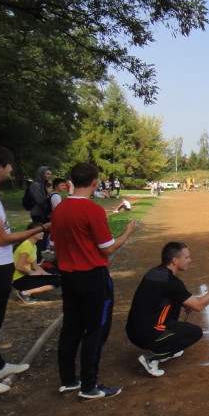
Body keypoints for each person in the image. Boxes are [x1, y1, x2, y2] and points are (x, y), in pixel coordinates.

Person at [50, 162, 139, 401]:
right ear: (94, 182)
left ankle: (68, 380)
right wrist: (128, 232)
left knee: (71, 327)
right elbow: (108, 247)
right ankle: (89, 386)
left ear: (71, 182)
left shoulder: (60, 208)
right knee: (96, 329)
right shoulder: (92, 210)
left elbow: (54, 244)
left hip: (68, 276)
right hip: (92, 276)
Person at [0, 145, 52, 396]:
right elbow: (1, 238)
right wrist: (41, 229)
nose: (11, 169)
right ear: (0, 167)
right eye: (9, 165)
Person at [126, 242, 209, 377]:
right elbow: (199, 306)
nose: (189, 260)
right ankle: (152, 357)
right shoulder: (170, 282)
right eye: (186, 257)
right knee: (194, 332)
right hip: (146, 334)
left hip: (135, 329)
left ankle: (164, 349)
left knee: (177, 307)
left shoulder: (156, 273)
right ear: (175, 260)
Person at [12, 222, 61, 303]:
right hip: (19, 279)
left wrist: (47, 274)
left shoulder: (33, 245)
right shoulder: (26, 245)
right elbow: (19, 267)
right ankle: (25, 293)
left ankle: (27, 292)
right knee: (57, 280)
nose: (43, 233)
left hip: (26, 276)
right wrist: (32, 273)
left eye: (43, 231)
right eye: (39, 231)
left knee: (56, 278)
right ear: (32, 232)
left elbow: (35, 265)